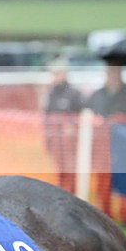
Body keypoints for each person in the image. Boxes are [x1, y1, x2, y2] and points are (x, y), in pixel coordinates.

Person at [86, 61, 126, 224]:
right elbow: (91, 114)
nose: (111, 76)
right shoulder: (97, 95)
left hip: (125, 147)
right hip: (102, 147)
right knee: (103, 183)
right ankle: (105, 214)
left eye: (115, 73)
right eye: (109, 73)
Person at [43, 57, 83, 192]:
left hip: (71, 145)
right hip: (57, 143)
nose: (55, 76)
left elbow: (81, 118)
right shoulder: (51, 93)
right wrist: (48, 139)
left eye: (57, 73)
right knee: (60, 173)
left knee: (71, 173)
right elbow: (47, 117)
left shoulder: (74, 93)